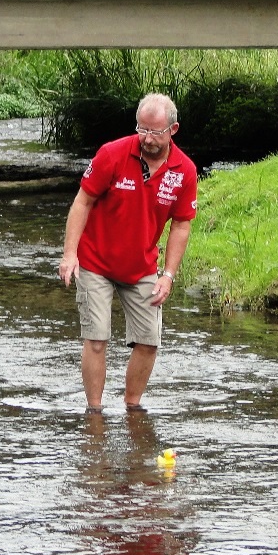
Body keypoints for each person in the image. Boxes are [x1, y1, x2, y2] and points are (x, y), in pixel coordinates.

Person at [58, 94, 197, 415]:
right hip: (95, 262)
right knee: (96, 339)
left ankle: (133, 408)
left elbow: (181, 226)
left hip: (143, 265)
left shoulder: (184, 171)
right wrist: (70, 254)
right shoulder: (112, 154)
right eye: (142, 130)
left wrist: (169, 275)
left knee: (149, 341)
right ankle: (94, 413)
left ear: (173, 129)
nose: (147, 138)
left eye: (156, 132)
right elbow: (82, 202)